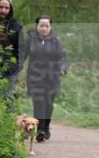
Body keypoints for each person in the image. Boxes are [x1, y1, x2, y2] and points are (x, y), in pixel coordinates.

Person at [21, 15, 68, 143]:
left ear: (50, 27)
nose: (43, 28)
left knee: (48, 105)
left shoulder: (56, 41)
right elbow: (23, 55)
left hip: (52, 78)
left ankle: (46, 127)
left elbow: (62, 57)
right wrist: (17, 67)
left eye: (46, 26)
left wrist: (62, 68)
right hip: (35, 78)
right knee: (39, 103)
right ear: (37, 26)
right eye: (41, 25)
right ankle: (40, 130)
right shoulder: (30, 39)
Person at [0, 0, 23, 96]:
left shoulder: (16, 26)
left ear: (10, 9)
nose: (3, 10)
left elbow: (21, 49)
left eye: (6, 8)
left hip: (9, 69)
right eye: (0, 7)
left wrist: (17, 66)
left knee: (7, 99)